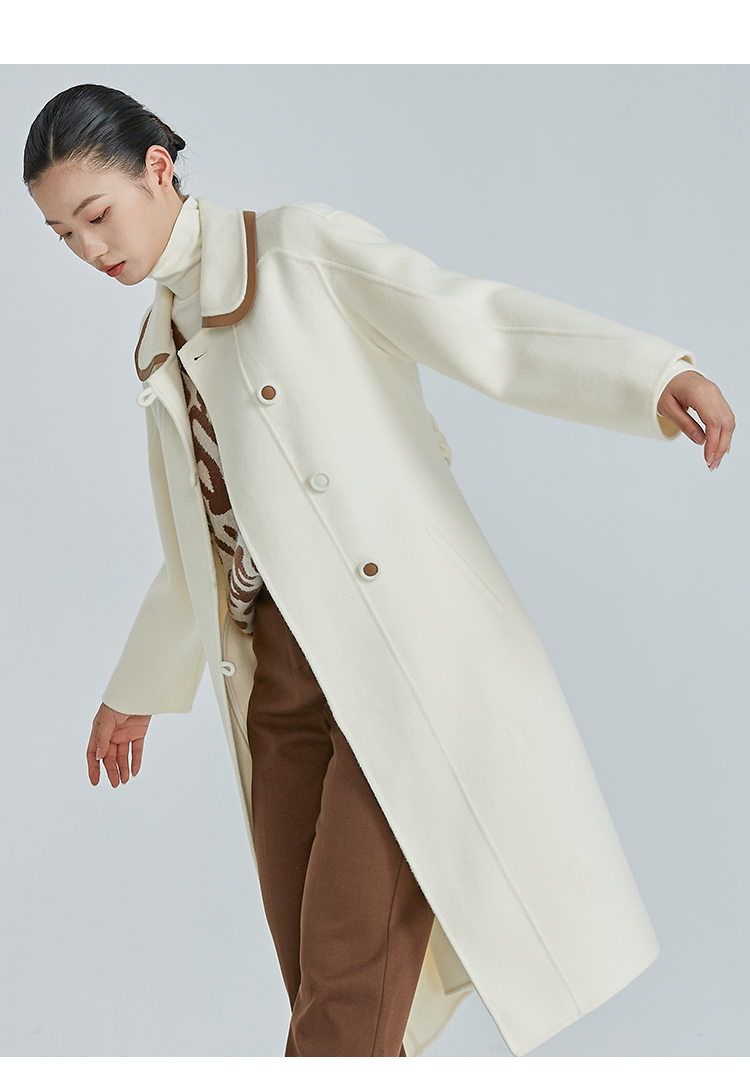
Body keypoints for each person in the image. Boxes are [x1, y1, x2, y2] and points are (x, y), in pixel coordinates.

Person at [24, 83, 735, 1059]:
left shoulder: (297, 252)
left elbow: (474, 320)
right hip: (277, 684)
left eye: (95, 215)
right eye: (62, 235)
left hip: (396, 663)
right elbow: (202, 542)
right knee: (325, 993)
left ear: (158, 168)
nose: (88, 249)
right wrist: (134, 689)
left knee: (342, 1009)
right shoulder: (159, 343)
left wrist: (649, 374)